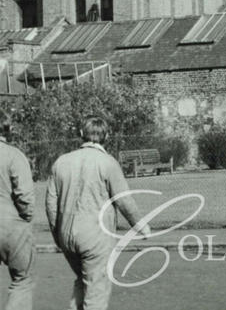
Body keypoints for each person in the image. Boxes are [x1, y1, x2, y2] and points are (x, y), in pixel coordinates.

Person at [46, 115, 150, 310]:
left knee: (82, 280)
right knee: (96, 290)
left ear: (80, 134)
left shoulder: (61, 162)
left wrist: (57, 235)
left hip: (67, 234)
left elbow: (51, 204)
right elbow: (124, 200)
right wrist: (142, 227)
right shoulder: (108, 163)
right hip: (95, 236)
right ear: (107, 135)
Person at [0, 115, 34, 310]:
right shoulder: (14, 155)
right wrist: (26, 216)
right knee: (21, 280)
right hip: (10, 223)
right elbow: (25, 196)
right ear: (8, 129)